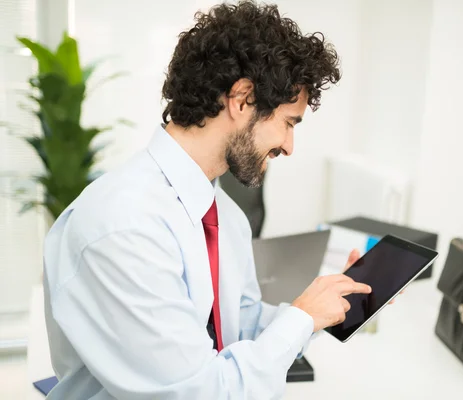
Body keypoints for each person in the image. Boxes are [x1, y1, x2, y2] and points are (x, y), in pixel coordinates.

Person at [42, 1, 373, 399]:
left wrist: (328, 308)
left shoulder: (222, 216)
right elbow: (200, 392)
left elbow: (242, 331)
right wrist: (302, 317)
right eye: (288, 123)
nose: (289, 146)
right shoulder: (122, 225)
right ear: (242, 99)